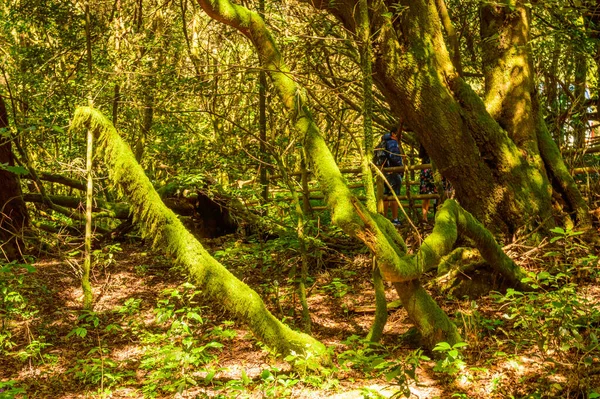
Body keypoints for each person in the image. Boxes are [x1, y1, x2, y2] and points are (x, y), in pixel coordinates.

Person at [374, 129, 403, 225]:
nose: (401, 136)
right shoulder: (392, 143)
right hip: (392, 171)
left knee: (385, 195)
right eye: (399, 133)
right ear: (393, 134)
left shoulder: (382, 143)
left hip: (383, 172)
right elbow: (394, 156)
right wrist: (400, 167)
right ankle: (395, 219)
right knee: (394, 195)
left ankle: (384, 218)